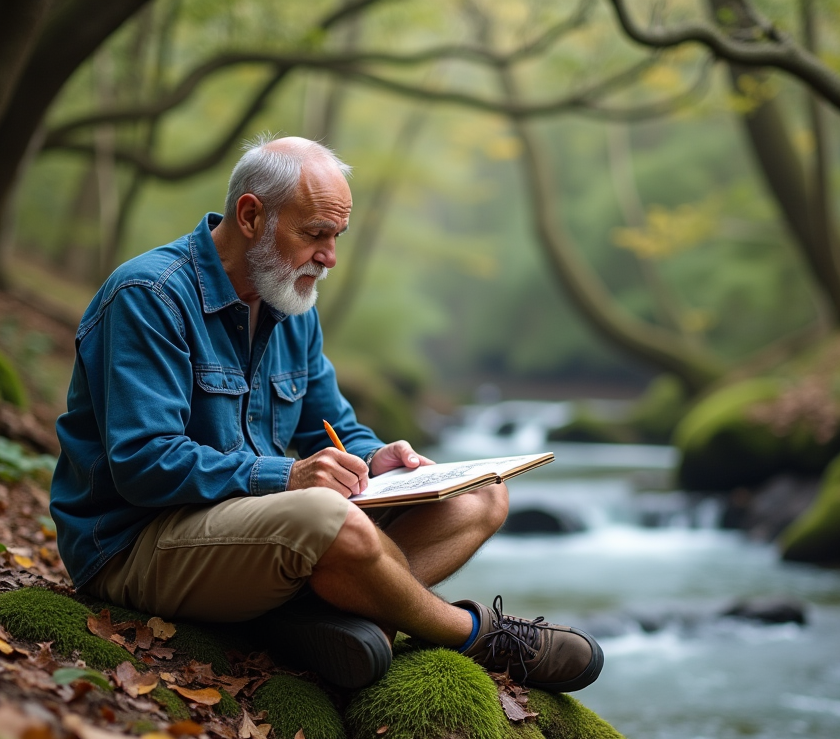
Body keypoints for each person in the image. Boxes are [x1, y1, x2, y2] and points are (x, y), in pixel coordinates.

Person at [50, 135, 603, 691]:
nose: (329, 257)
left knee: (482, 495)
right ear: (250, 216)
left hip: (255, 531)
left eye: (336, 236)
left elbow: (332, 424)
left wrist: (376, 457)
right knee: (327, 520)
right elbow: (143, 462)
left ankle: (320, 620)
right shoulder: (149, 294)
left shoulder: (290, 304)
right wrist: (287, 477)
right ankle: (474, 634)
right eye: (315, 234)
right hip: (134, 545)